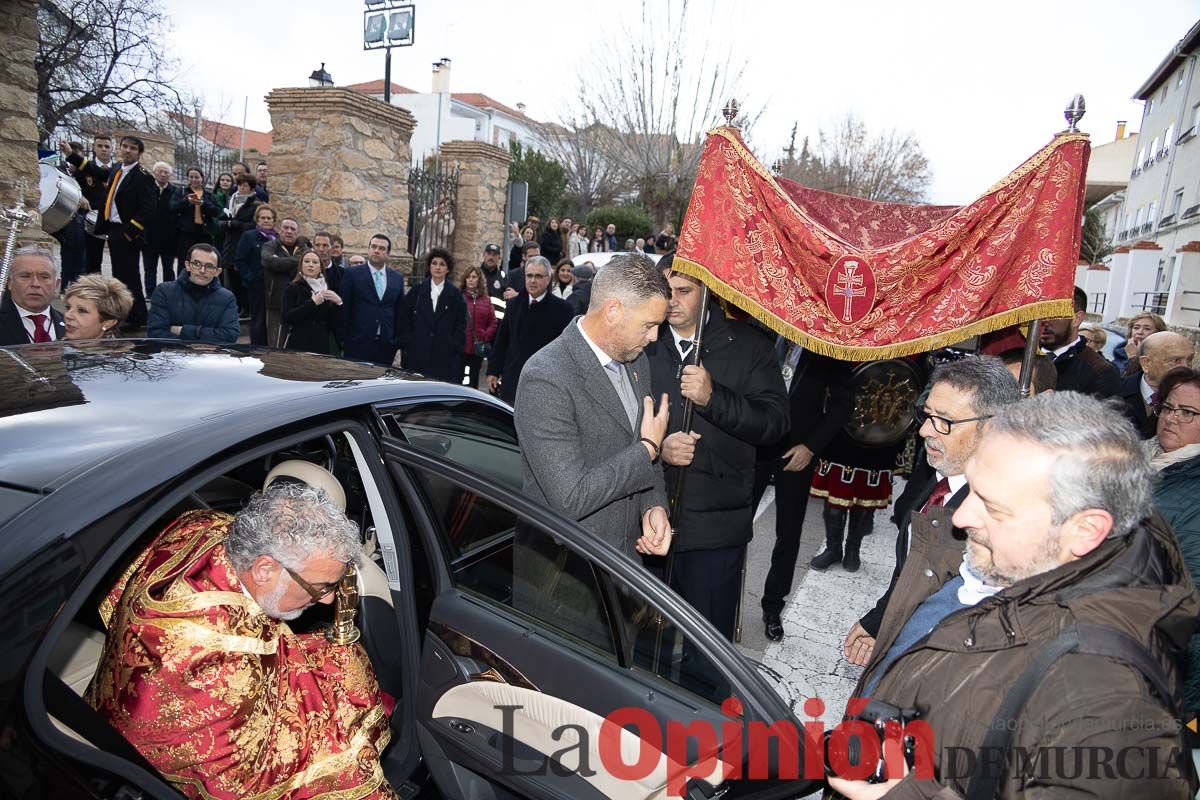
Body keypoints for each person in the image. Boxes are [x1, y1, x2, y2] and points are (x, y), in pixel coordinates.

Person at [829, 392, 1198, 800]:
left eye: (994, 507)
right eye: (972, 491)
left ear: (1085, 530)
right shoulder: (1023, 575)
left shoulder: (1107, 700)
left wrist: (907, 795)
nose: (963, 517)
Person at [87, 480, 394, 800]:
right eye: (320, 587)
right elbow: (242, 782)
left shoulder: (200, 526)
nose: (329, 600)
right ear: (264, 569)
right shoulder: (222, 671)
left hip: (107, 693)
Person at [842, 356, 1019, 666]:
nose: (924, 431)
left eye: (944, 421)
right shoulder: (935, 479)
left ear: (991, 427)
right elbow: (913, 572)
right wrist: (879, 622)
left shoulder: (999, 516)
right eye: (926, 415)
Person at [647, 271, 789, 640]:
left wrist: (714, 399)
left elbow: (774, 424)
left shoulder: (749, 347)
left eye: (684, 291)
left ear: (708, 292)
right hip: (649, 518)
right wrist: (657, 450)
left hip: (715, 528)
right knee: (644, 643)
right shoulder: (643, 341)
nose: (672, 300)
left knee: (707, 657)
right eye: (666, 291)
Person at [515, 252, 673, 556]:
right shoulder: (546, 376)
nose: (654, 337)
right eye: (649, 324)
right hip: (564, 572)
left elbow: (641, 457)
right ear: (613, 310)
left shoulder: (637, 362)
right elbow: (570, 498)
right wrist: (648, 448)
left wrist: (652, 506)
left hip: (625, 561)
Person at [754, 335, 854, 641]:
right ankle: (723, 594)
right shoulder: (761, 334)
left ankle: (773, 606)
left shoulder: (827, 347)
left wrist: (811, 447)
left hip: (796, 452)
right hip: (751, 443)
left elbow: (842, 405)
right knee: (733, 523)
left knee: (789, 531)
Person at [1143, 366, 1200, 713]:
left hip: (1168, 656)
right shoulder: (1140, 457)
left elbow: (1189, 596)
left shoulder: (1192, 486)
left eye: (1188, 412)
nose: (1172, 418)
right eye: (1168, 407)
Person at [63, 135, 156, 328]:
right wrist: (72, 155)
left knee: (129, 275)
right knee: (119, 274)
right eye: (125, 146)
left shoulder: (143, 177)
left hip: (126, 232)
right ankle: (127, 313)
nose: (128, 150)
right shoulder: (116, 169)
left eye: (133, 148)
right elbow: (94, 170)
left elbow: (148, 209)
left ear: (139, 153)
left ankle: (138, 316)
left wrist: (130, 232)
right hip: (113, 229)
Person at [487, 256, 574, 403]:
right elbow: (502, 340)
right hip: (512, 381)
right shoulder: (514, 304)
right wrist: (493, 371)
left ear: (548, 278)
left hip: (544, 384)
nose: (533, 280)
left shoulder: (563, 309)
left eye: (538, 276)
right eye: (529, 275)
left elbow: (568, 350)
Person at [396, 247, 467, 383]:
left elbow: (460, 324)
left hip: (444, 357)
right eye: (434, 263)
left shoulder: (456, 295)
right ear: (429, 267)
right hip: (417, 354)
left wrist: (454, 346)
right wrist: (408, 342)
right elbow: (404, 318)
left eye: (442, 264)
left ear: (448, 269)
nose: (438, 267)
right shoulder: (417, 291)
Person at [147, 243, 240, 344]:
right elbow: (155, 333)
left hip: (211, 358)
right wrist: (202, 340)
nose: (202, 270)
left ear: (217, 272)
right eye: (196, 264)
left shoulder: (226, 298)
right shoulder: (164, 291)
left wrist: (182, 330)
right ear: (187, 265)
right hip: (174, 357)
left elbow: (230, 336)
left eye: (209, 266)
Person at [339, 234, 405, 366]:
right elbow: (344, 308)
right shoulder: (352, 274)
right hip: (357, 343)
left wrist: (395, 340)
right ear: (368, 249)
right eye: (373, 246)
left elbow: (399, 311)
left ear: (388, 254)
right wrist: (343, 339)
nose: (376, 250)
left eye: (381, 248)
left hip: (385, 345)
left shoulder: (397, 278)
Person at [1041, 286, 1119, 398]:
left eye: (1053, 314)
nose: (1044, 321)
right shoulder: (1021, 357)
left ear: (1076, 319)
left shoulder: (1100, 371)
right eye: (1039, 314)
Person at [1121, 331, 1197, 438]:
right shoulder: (1114, 392)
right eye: (1175, 360)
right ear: (1146, 363)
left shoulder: (1195, 399)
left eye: (1189, 360)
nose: (1186, 367)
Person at [67, 134, 115, 276]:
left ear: (112, 149)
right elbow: (73, 187)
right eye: (100, 146)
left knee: (120, 259)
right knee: (92, 259)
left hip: (113, 220)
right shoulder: (86, 168)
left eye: (107, 146)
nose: (104, 149)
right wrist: (80, 196)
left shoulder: (118, 169)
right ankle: (93, 288)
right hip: (91, 218)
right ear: (94, 148)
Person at [0, 246, 66, 345]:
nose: (35, 284)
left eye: (44, 277)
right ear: (10, 282)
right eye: (25, 276)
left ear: (56, 284)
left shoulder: (70, 323)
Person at [280, 248, 341, 355]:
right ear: (301, 266)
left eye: (315, 262)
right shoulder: (292, 287)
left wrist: (339, 303)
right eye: (307, 261)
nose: (310, 265)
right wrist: (312, 303)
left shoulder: (326, 288)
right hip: (299, 343)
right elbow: (286, 317)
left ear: (321, 268)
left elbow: (332, 322)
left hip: (321, 344)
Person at [262, 217, 308, 347]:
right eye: (285, 228)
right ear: (279, 230)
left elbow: (305, 269)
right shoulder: (269, 246)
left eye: (292, 229)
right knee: (275, 343)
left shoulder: (304, 249)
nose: (289, 231)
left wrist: (280, 263)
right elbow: (270, 262)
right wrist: (296, 260)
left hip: (298, 304)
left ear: (297, 233)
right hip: (275, 303)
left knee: (295, 343)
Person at [235, 203, 276, 346]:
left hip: (274, 287)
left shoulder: (277, 238)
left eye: (269, 218)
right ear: (257, 219)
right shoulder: (248, 236)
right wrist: (250, 279)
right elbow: (239, 260)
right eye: (263, 218)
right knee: (258, 319)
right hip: (256, 287)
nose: (266, 221)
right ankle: (257, 348)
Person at [170, 167, 221, 268]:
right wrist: (186, 201)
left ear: (202, 178)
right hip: (186, 231)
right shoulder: (182, 191)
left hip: (204, 232)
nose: (194, 179)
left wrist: (203, 203)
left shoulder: (209, 195)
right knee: (185, 260)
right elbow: (172, 207)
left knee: (204, 259)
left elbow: (217, 211)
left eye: (196, 177)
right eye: (191, 177)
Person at [142, 161, 178, 299]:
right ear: (154, 173)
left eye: (166, 172)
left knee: (168, 269)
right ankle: (150, 294)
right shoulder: (147, 189)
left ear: (170, 175)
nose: (163, 175)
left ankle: (168, 294)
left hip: (168, 238)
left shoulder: (175, 191)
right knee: (149, 268)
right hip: (149, 236)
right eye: (160, 172)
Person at [460, 264, 498, 389]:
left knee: (473, 378)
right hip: (461, 345)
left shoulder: (486, 300)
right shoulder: (459, 297)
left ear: (479, 280)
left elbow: (493, 322)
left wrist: (486, 335)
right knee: (458, 377)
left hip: (478, 347)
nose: (471, 279)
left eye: (474, 277)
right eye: (468, 277)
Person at [63, 274, 133, 340]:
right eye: (68, 307)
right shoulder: (57, 347)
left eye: (82, 311)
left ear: (108, 323)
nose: (68, 315)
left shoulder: (115, 352)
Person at [1114, 311, 1167, 376]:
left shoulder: (1162, 358)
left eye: (1147, 329)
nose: (1140, 332)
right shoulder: (1120, 353)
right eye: (1136, 328)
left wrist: (1134, 358)